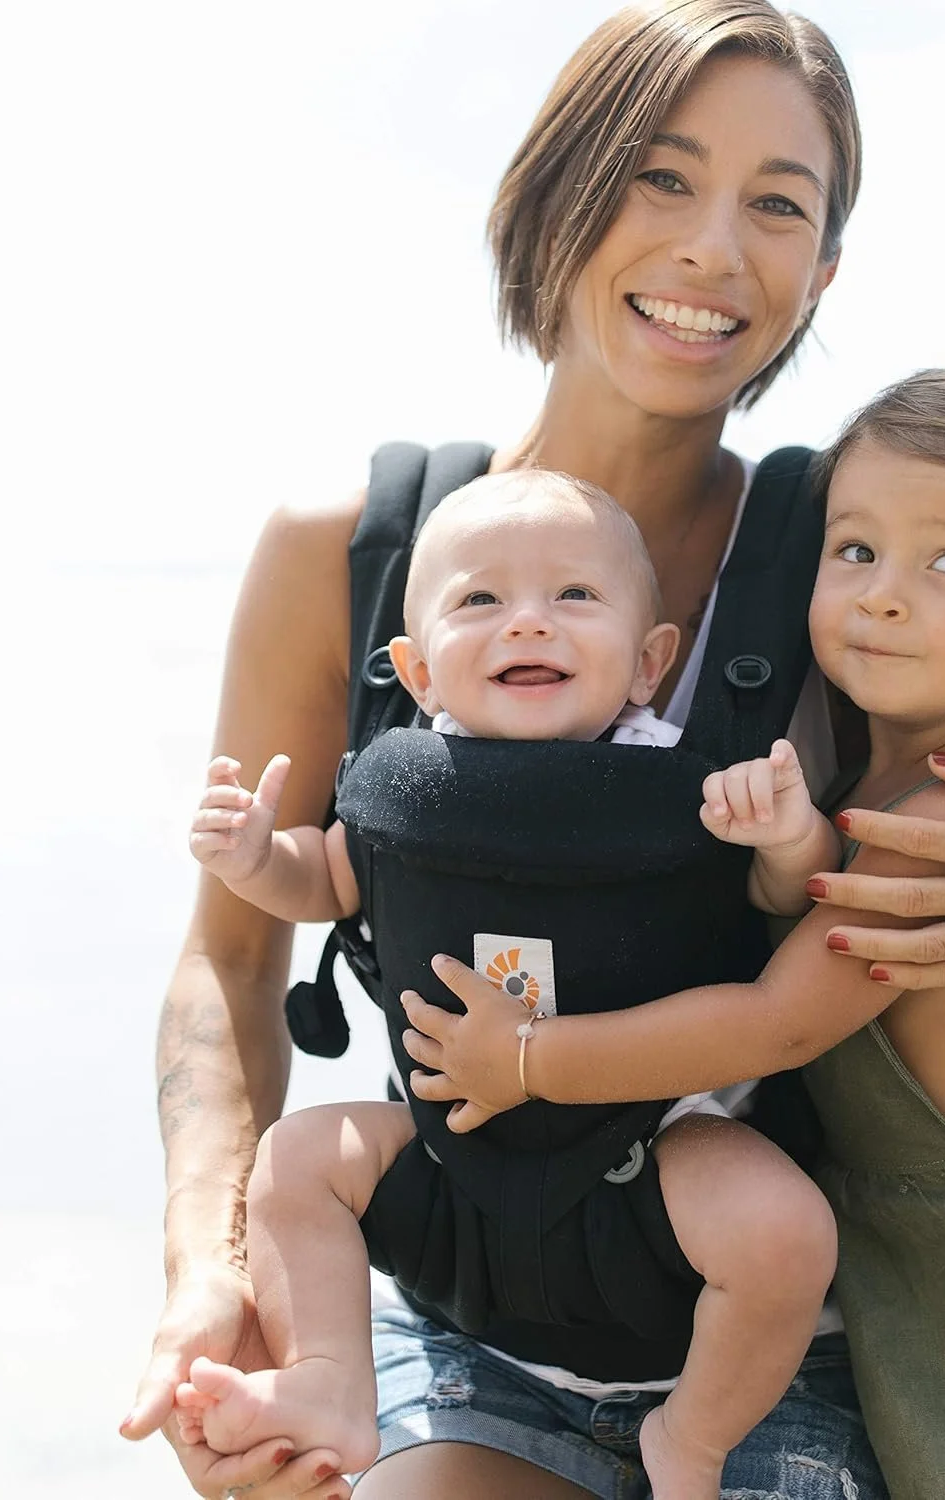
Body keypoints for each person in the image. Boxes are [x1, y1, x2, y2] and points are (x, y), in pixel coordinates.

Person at [120, 6, 945, 1497]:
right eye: (660, 179)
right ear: (553, 190)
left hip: (795, 1336)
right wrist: (217, 1280)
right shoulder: (347, 555)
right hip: (475, 1311)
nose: (711, 252)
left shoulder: (845, 553)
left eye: (779, 206)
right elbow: (228, 961)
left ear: (825, 270)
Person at [403, 368, 945, 1499]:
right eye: (856, 551)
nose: (884, 596)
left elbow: (779, 1023)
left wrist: (526, 1060)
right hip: (913, 1258)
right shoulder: (872, 761)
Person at [175, 468, 843, 1499]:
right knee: (294, 1161)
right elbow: (330, 880)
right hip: (452, 1155)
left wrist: (790, 836)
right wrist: (256, 858)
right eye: (480, 601)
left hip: (657, 1146)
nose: (528, 622)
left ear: (649, 660)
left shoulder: (683, 780)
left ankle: (694, 1436)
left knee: (787, 1232)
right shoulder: (407, 783)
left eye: (575, 597)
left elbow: (778, 898)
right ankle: (326, 1379)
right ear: (418, 670)